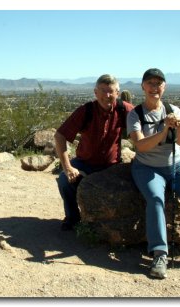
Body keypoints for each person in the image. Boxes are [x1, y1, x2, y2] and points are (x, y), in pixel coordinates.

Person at [126, 68, 180, 279]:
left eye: (158, 84)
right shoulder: (135, 114)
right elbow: (141, 146)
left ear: (164, 87)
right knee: (156, 199)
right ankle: (159, 254)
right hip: (147, 166)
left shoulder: (173, 109)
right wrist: (164, 131)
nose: (154, 88)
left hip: (178, 165)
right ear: (143, 87)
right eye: (150, 83)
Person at [55, 74, 134, 231]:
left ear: (117, 93)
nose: (107, 95)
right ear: (95, 92)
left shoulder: (124, 109)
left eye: (111, 91)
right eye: (103, 91)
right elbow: (60, 135)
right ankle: (73, 217)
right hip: (85, 162)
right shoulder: (86, 111)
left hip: (112, 166)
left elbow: (144, 129)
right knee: (65, 180)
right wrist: (67, 166)